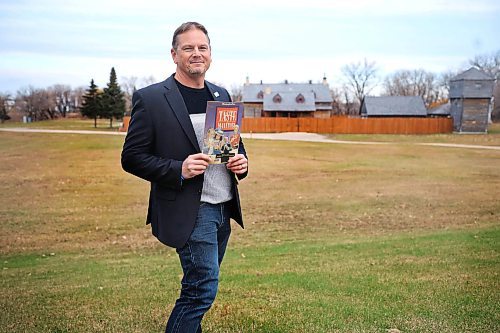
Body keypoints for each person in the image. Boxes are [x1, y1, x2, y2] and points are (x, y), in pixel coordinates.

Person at [121, 22, 248, 333]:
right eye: (188, 48)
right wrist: (178, 168)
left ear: (210, 54)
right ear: (174, 54)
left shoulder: (221, 94)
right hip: (190, 210)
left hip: (223, 208)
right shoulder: (151, 99)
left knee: (197, 287)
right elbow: (131, 158)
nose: (196, 53)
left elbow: (233, 145)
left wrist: (243, 163)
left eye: (202, 47)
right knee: (201, 291)